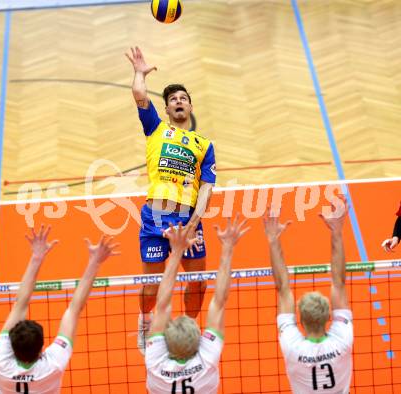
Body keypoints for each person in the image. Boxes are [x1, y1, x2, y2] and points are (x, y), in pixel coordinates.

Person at [126, 46, 217, 353]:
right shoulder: (155, 129)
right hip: (155, 218)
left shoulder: (204, 145)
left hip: (188, 219)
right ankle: (145, 321)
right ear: (166, 110)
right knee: (151, 286)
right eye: (172, 100)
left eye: (183, 98)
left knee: (198, 283)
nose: (178, 102)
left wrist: (193, 223)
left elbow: (206, 187)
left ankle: (189, 327)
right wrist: (139, 72)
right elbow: (139, 95)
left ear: (190, 107)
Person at [0, 225, 119, 393]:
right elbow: (74, 310)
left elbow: (20, 305)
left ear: (12, 346)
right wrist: (95, 262)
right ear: (41, 348)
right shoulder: (53, 365)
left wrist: (36, 257)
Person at [145, 215, 249, 393]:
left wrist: (176, 251)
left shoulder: (155, 364)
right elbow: (219, 301)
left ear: (167, 344)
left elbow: (161, 305)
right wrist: (227, 248)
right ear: (198, 343)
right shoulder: (207, 360)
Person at [263, 201, 353, 393]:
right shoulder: (342, 340)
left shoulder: (293, 347)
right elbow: (339, 283)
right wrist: (336, 231)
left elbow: (283, 289)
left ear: (300, 320)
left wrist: (273, 239)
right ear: (330, 315)